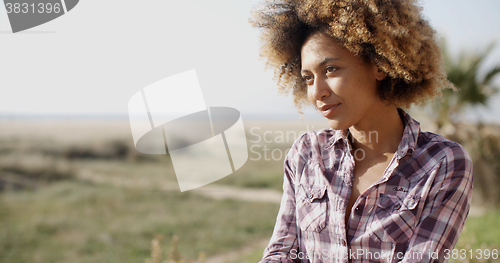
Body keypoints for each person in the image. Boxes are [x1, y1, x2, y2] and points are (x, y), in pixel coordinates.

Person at [250, 0, 473, 262]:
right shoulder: (307, 152)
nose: (316, 91)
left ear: (379, 64)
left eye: (330, 69)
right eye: (308, 78)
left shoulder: (443, 163)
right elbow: (282, 252)